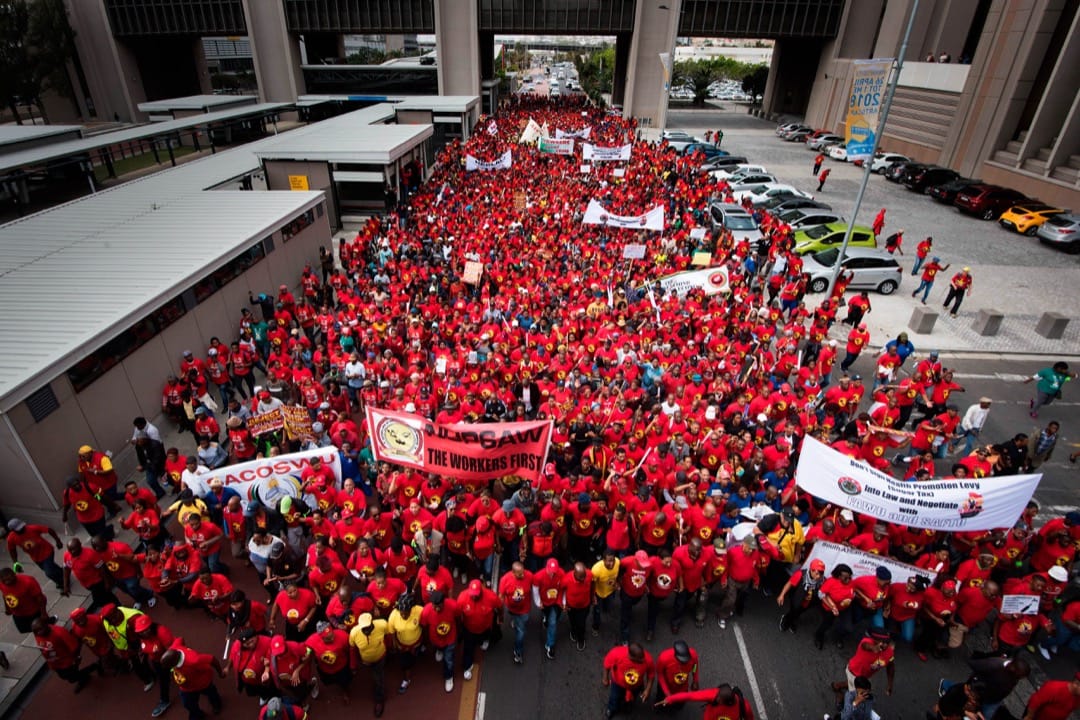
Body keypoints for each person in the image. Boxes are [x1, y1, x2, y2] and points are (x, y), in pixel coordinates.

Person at [160, 639, 226, 720]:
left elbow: (212, 659)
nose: (164, 667)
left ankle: (217, 704)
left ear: (174, 662)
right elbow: (180, 639)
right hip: (186, 688)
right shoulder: (174, 648)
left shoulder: (194, 661)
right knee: (187, 704)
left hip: (202, 683)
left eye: (166, 665)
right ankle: (197, 715)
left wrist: (220, 673)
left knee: (211, 693)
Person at [32, 617, 94, 693]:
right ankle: (84, 676)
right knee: (64, 676)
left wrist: (76, 658)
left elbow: (74, 646)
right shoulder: (38, 635)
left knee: (72, 678)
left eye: (39, 630)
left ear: (46, 625)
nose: (38, 633)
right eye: (36, 631)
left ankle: (93, 668)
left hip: (67, 662)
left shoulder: (60, 632)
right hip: (55, 663)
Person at [349, 612, 389, 717]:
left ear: (372, 623)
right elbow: (353, 650)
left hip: (380, 657)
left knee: (378, 679)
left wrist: (390, 649)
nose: (366, 630)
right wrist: (353, 665)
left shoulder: (382, 624)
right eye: (363, 628)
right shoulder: (354, 633)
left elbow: (388, 636)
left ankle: (379, 700)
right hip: (365, 661)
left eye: (368, 627)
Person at [5, 518, 64, 589]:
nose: (22, 529)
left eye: (22, 527)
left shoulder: (32, 528)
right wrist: (15, 562)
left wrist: (58, 541)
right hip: (36, 557)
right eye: (19, 529)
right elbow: (12, 550)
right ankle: (63, 573)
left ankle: (62, 583)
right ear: (13, 530)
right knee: (50, 568)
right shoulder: (11, 538)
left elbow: (49, 530)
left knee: (49, 573)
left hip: (47, 551)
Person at [602, 641, 654, 719]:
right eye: (640, 659)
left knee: (632, 699)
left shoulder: (647, 658)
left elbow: (651, 674)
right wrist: (605, 678)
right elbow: (607, 664)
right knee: (614, 697)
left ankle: (627, 706)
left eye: (643, 657)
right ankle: (611, 708)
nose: (643, 660)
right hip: (617, 684)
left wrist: (648, 689)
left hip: (636, 686)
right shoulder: (616, 653)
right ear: (631, 657)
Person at [657, 683, 755, 719]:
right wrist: (670, 699)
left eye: (719, 699)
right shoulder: (714, 694)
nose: (716, 699)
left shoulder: (744, 706)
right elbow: (690, 696)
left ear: (727, 702)